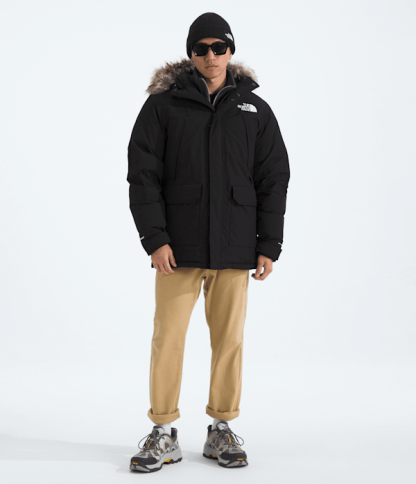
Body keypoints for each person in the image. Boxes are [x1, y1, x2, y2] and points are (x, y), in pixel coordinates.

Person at [127, 12, 290, 472]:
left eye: (219, 47)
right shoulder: (163, 106)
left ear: (231, 50)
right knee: (168, 338)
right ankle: (163, 431)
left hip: (236, 247)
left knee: (229, 341)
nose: (211, 56)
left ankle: (221, 427)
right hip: (176, 250)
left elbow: (273, 177)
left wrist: (269, 243)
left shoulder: (254, 109)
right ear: (191, 54)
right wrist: (155, 238)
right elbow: (142, 175)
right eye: (201, 49)